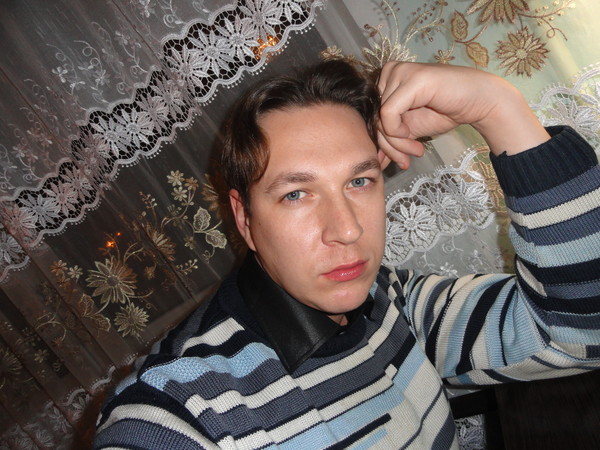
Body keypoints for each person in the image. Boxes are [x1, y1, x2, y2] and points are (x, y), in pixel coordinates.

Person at [94, 59, 600, 449]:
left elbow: (579, 331)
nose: (348, 229)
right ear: (244, 219)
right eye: (296, 194)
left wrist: (499, 109)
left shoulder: (393, 300)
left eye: (359, 182)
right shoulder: (180, 408)